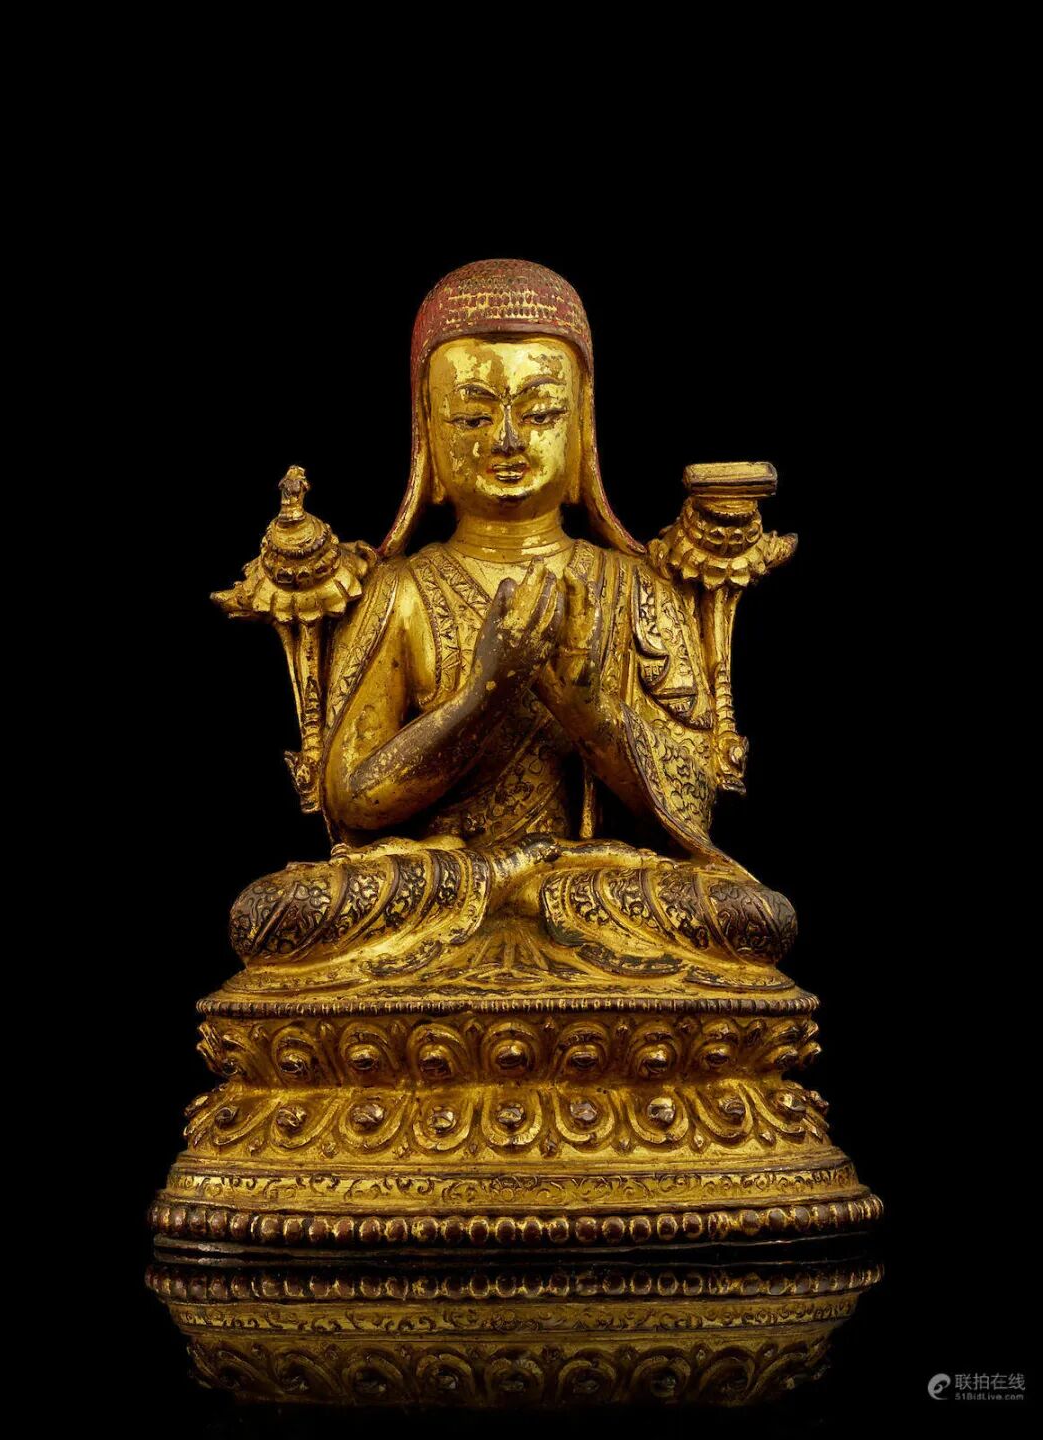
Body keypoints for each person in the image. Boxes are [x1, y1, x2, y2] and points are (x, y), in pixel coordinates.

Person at [228, 259, 796, 987]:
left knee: (752, 916)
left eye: (540, 412)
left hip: (587, 883)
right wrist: (482, 697)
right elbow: (354, 797)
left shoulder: (632, 588)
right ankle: (512, 890)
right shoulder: (402, 591)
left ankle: (531, 895)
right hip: (446, 883)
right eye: (471, 417)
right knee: (277, 913)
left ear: (582, 429)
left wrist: (592, 715)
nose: (505, 439)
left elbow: (693, 802)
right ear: (428, 438)